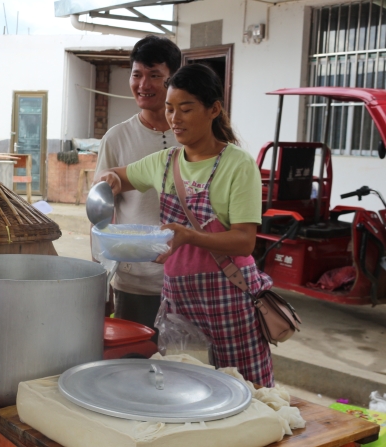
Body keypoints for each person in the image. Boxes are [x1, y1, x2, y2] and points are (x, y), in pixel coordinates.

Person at [97, 64, 274, 387]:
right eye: (169, 109)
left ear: (214, 109)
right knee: (181, 386)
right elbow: (120, 177)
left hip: (229, 294)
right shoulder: (165, 162)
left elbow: (244, 241)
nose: (174, 119)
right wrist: (109, 182)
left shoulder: (238, 164)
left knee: (246, 388)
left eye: (186, 109)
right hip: (179, 296)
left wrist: (190, 236)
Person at [93, 35, 181, 333]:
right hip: (136, 280)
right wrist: (100, 278)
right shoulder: (116, 138)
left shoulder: (193, 136)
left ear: (173, 80)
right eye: (137, 74)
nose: (144, 84)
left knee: (185, 367)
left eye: (155, 75)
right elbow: (99, 213)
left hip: (190, 275)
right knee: (135, 364)